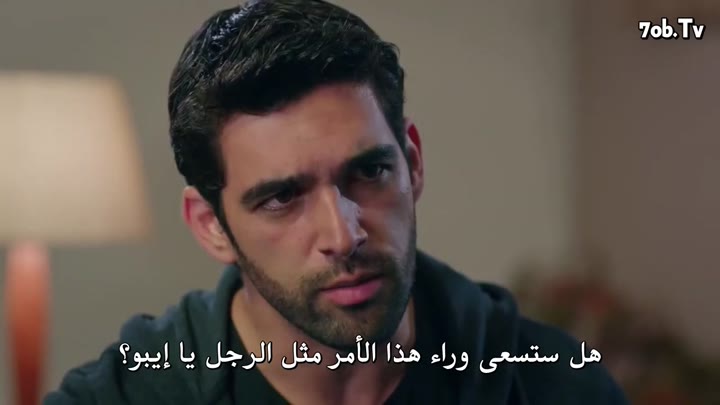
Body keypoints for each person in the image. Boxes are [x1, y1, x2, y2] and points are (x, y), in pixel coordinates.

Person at [44, 1, 628, 404]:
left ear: (413, 163)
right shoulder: (124, 396)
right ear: (210, 226)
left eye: (370, 171)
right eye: (282, 197)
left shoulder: (555, 387)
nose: (343, 234)